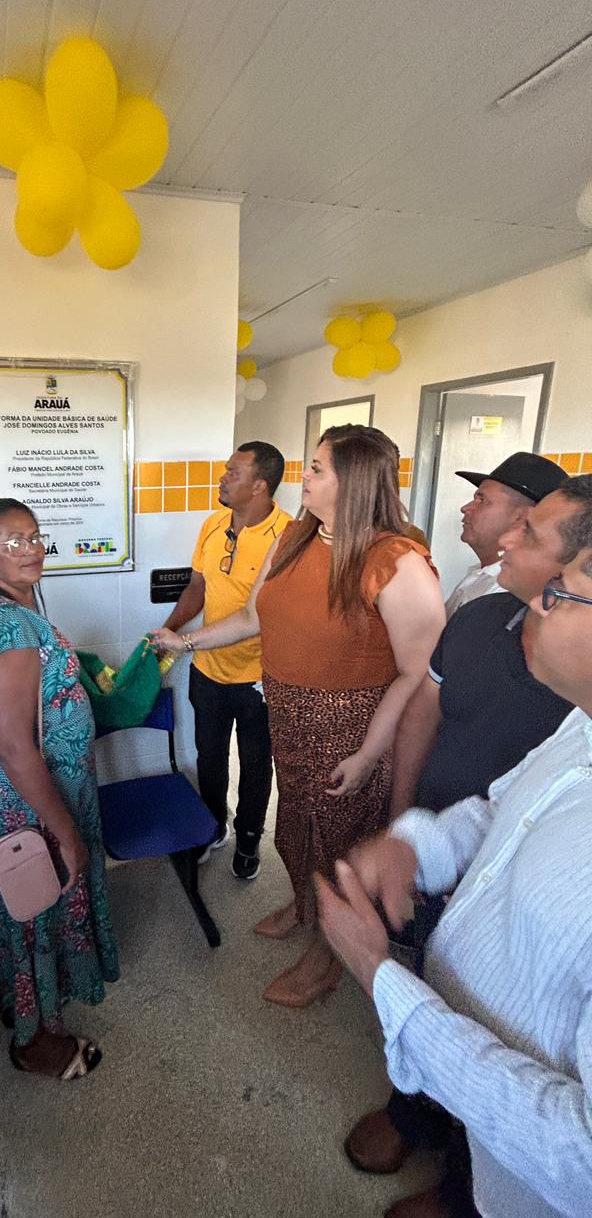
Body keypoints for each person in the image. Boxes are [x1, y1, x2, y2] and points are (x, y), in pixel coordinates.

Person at [317, 511, 592, 1218]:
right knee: (473, 1167)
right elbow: (505, 810)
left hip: (535, 1194)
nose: (539, 604)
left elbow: (579, 1160)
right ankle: (450, 1179)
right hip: (479, 1083)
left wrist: (379, 976)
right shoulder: (582, 726)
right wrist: (416, 845)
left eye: (565, 591)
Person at [153, 425, 445, 1007]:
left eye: (317, 468)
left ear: (353, 481)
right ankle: (305, 905)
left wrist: (369, 754)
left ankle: (328, 955)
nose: (303, 476)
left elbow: (419, 675)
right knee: (295, 827)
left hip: (350, 727)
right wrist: (182, 642)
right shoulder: (295, 538)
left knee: (340, 844)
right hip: (287, 714)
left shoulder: (397, 561)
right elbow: (251, 618)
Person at [0, 498, 120, 1079]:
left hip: (19, 795)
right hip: (31, 802)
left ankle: (22, 1011)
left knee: (20, 906)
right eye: (12, 542)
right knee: (38, 906)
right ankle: (37, 1039)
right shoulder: (7, 624)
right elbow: (14, 745)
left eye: (34, 536)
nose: (30, 549)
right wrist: (65, 830)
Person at [162, 442, 291, 880]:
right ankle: (213, 826)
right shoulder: (213, 524)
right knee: (210, 756)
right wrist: (169, 632)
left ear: (260, 485)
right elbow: (197, 589)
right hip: (208, 670)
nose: (222, 477)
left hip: (260, 679)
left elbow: (264, 616)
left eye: (233, 472)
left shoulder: (288, 537)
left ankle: (249, 838)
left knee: (256, 764)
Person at [444, 452, 564, 618]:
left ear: (522, 517)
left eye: (482, 500)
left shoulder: (509, 591)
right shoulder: (484, 575)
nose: (465, 508)